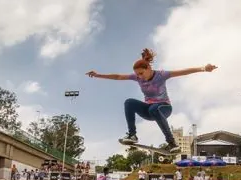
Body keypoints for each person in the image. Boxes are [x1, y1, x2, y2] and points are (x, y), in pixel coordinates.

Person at [86, 48, 217, 153]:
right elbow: (118, 76)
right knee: (129, 102)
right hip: (148, 110)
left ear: (148, 68)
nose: (139, 77)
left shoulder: (161, 75)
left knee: (154, 108)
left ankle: (171, 143)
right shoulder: (137, 77)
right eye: (137, 75)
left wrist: (204, 68)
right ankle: (132, 135)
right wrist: (98, 75)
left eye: (141, 74)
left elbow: (183, 72)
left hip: (164, 108)